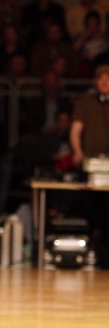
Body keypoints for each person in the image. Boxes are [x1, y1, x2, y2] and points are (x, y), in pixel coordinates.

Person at [69, 65, 109, 267]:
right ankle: (96, 249)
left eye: (108, 80)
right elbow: (76, 129)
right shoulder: (86, 103)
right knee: (94, 208)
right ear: (95, 82)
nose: (105, 83)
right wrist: (77, 151)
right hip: (92, 164)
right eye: (101, 79)